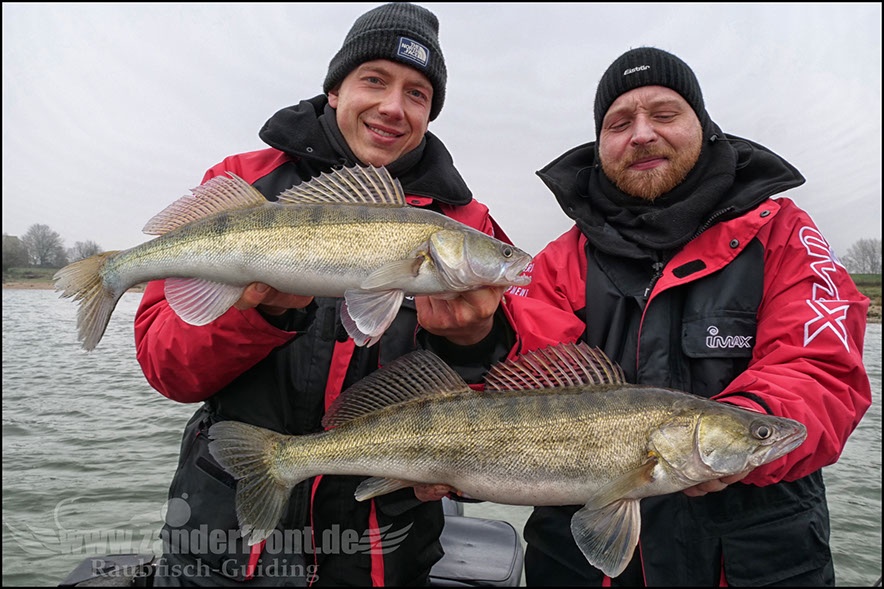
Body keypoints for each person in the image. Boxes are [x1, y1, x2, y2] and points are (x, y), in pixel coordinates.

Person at [135, 3, 513, 586]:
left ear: (430, 113)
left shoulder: (467, 224)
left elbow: (515, 418)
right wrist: (257, 313)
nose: (393, 107)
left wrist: (473, 344)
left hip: (382, 553)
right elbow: (169, 370)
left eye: (417, 94)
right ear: (335, 90)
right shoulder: (244, 184)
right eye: (375, 80)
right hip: (225, 542)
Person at [506, 47, 872, 586]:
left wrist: (747, 427)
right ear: (600, 145)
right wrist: (466, 338)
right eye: (619, 123)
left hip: (756, 560)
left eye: (664, 113)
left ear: (702, 125)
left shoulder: (785, 235)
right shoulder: (557, 263)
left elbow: (823, 370)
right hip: (580, 566)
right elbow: (513, 383)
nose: (642, 134)